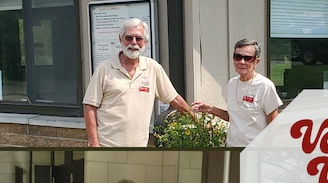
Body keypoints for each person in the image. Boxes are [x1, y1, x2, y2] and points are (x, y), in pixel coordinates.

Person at [83, 18, 194, 147]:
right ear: (121, 39)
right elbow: (89, 106)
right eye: (129, 38)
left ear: (145, 42)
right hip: (107, 145)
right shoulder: (104, 68)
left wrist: (197, 120)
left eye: (138, 39)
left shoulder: (153, 68)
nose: (133, 43)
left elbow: (174, 99)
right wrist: (94, 143)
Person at [192, 39, 283, 146]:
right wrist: (210, 109)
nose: (242, 62)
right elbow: (233, 117)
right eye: (238, 57)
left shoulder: (265, 86)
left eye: (248, 58)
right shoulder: (232, 83)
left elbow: (273, 125)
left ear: (256, 62)